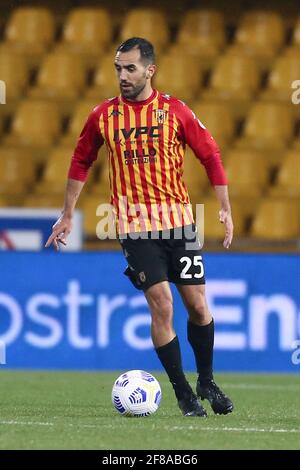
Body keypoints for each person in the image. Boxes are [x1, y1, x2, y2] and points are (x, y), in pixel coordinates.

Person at [45, 37, 234, 417]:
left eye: (130, 68)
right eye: (118, 68)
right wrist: (67, 213)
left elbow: (210, 154)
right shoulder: (103, 116)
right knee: (162, 305)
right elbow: (81, 160)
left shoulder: (175, 111)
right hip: (134, 227)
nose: (123, 76)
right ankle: (183, 394)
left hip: (180, 224)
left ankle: (207, 380)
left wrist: (225, 208)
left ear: (150, 70)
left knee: (198, 307)